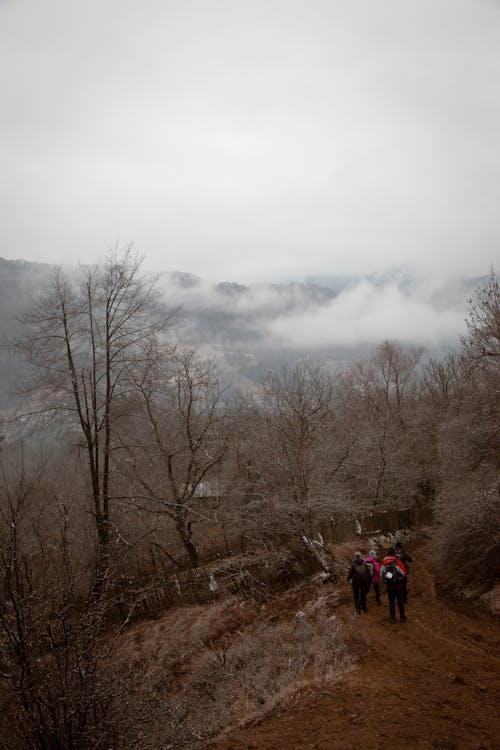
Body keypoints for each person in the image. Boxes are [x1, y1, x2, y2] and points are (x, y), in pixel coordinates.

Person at [380, 547, 407, 623]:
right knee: (400, 601)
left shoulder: (384, 562)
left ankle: (392, 618)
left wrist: (386, 579)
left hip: (389, 586)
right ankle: (402, 617)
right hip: (398, 586)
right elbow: (403, 573)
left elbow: (381, 574)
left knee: (391, 602)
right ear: (394, 553)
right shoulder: (397, 562)